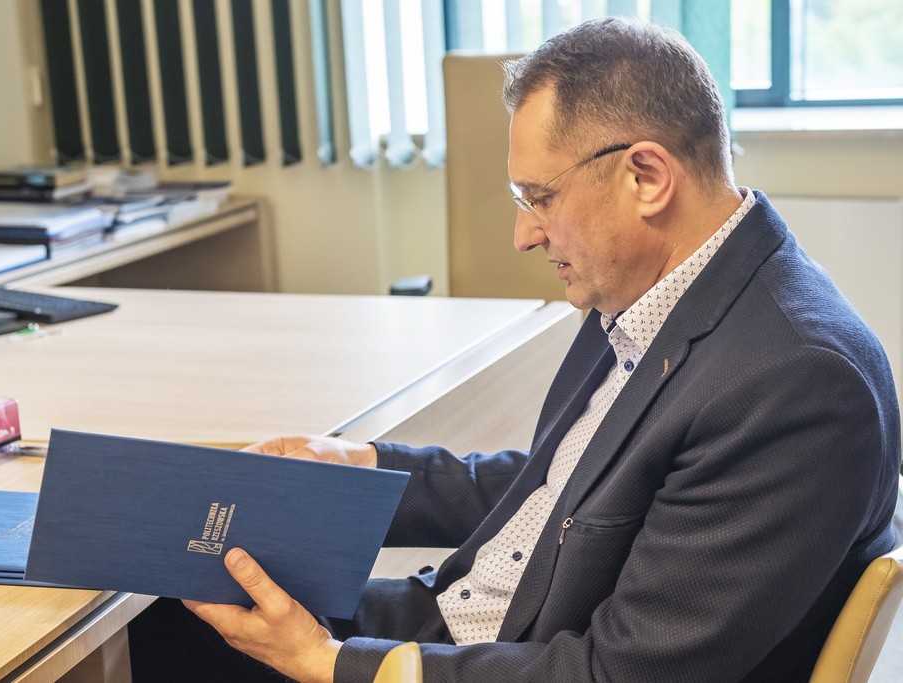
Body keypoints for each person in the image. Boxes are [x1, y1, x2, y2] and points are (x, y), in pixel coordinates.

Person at [129, 16, 901, 682]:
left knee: (148, 639)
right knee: (167, 603)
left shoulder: (798, 385)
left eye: (540, 197)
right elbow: (572, 488)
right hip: (482, 624)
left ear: (646, 176)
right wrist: (364, 466)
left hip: (521, 658)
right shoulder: (660, 287)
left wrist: (331, 663)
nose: (524, 233)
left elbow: (618, 672)